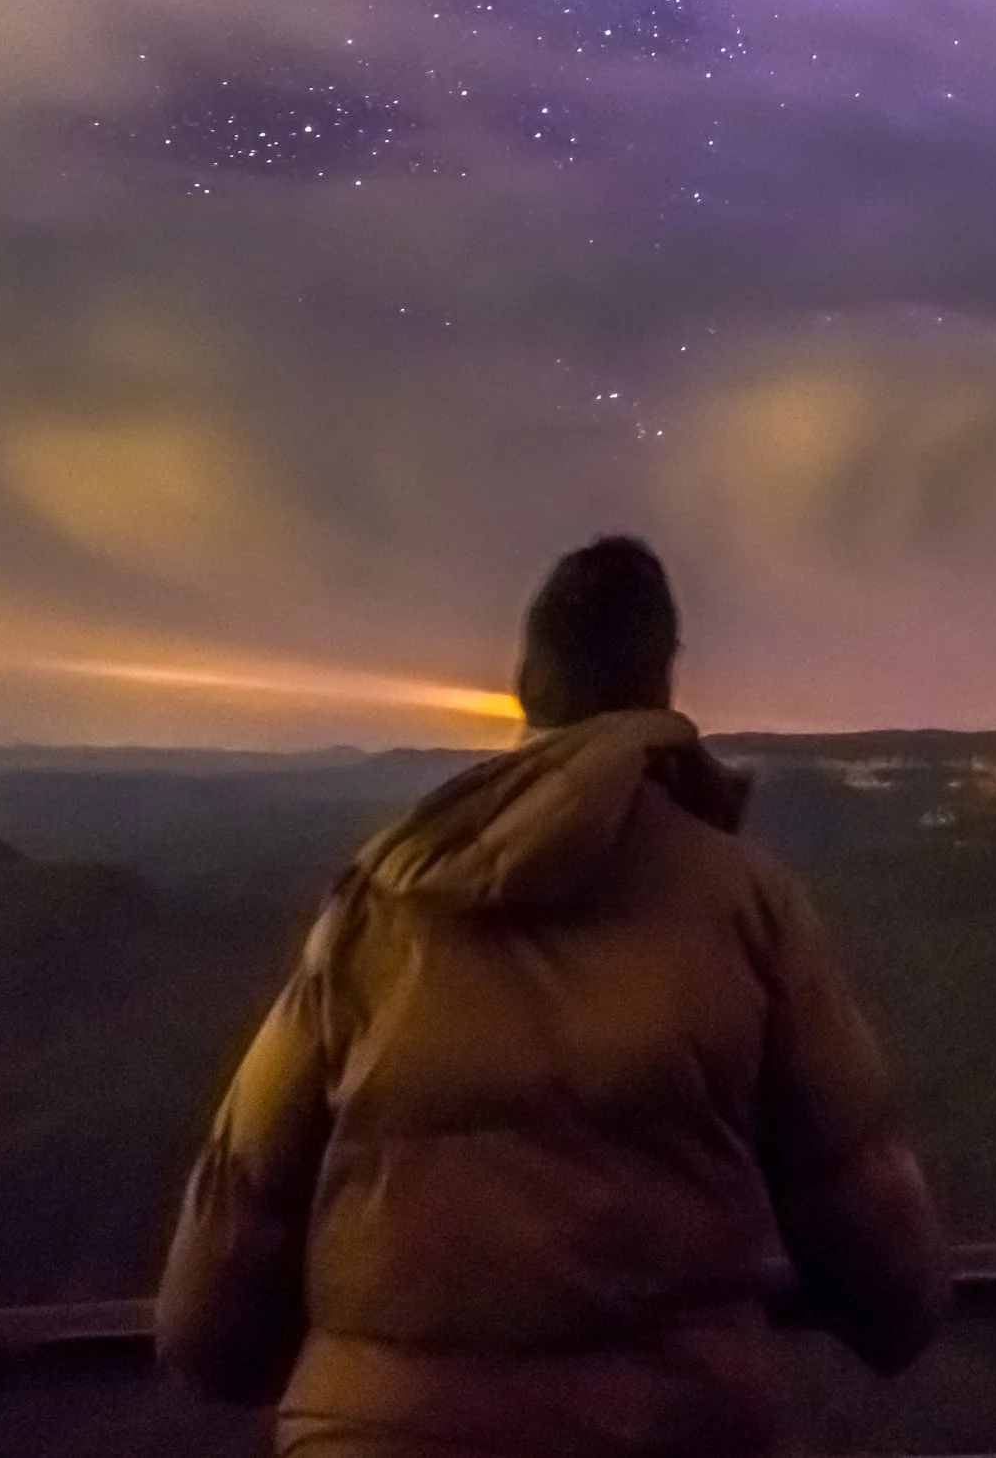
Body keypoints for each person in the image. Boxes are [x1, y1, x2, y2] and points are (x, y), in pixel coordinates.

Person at [157, 536, 948, 1458]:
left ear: (528, 686)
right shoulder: (745, 902)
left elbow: (241, 1199)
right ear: (663, 684)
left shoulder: (379, 901)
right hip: (663, 1427)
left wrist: (236, 1357)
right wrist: (896, 1313)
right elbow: (852, 1182)